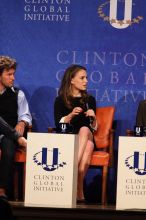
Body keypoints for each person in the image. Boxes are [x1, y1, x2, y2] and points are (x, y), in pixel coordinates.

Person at [54, 64, 97, 201]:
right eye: (82, 78)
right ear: (71, 80)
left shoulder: (89, 100)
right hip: (70, 139)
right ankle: (78, 190)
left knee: (84, 129)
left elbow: (94, 128)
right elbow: (59, 126)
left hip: (87, 134)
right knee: (89, 146)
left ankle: (70, 168)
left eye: (86, 78)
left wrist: (94, 117)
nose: (86, 81)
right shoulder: (60, 100)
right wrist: (70, 115)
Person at [0, 55, 32, 199]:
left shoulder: (18, 95)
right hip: (12, 134)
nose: (13, 78)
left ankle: (1, 189)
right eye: (9, 74)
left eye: (13, 74)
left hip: (7, 135)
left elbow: (26, 115)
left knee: (8, 148)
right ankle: (18, 138)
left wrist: (22, 122)